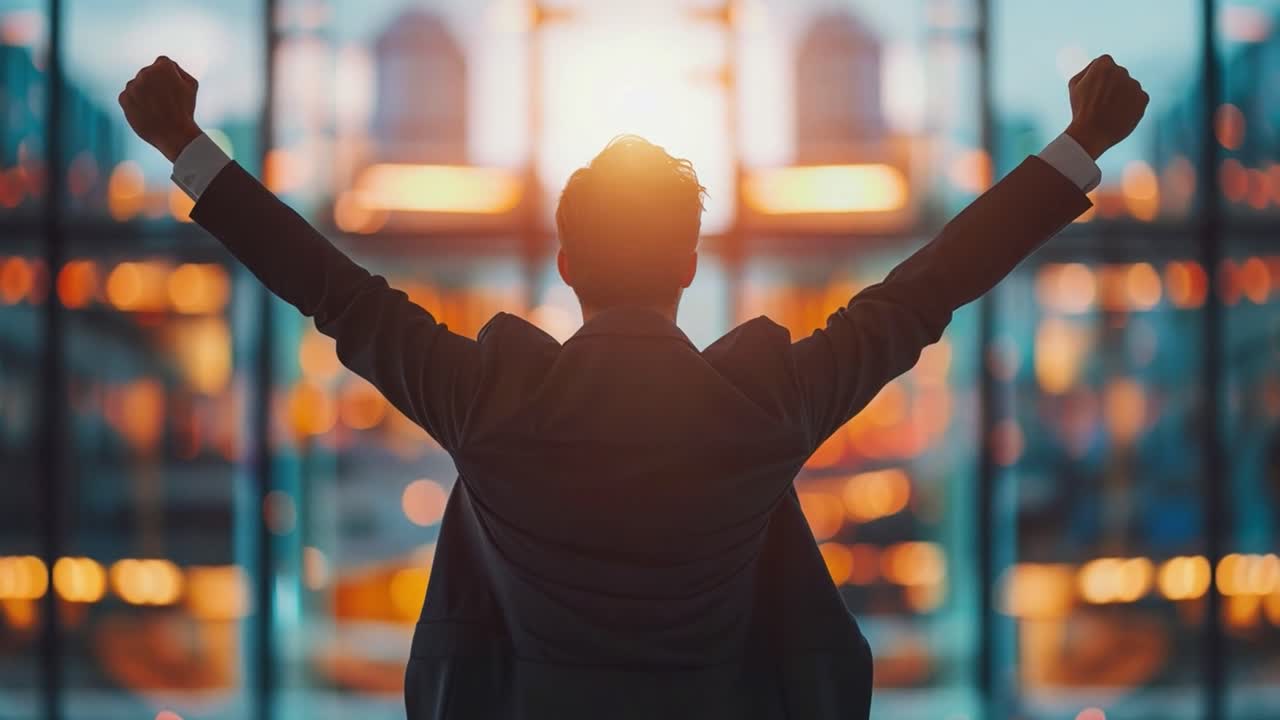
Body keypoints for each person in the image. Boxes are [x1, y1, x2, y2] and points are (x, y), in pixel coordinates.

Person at [118, 51, 1147, 719]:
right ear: (690, 265)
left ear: (564, 263)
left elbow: (332, 292)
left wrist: (188, 148)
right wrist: (1074, 148)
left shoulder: (494, 402)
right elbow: (922, 292)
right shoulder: (757, 406)